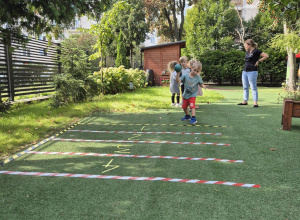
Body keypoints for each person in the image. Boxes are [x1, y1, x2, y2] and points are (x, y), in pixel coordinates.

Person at [238, 39, 269, 107]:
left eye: (245, 45)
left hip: (252, 71)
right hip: (245, 71)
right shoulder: (247, 52)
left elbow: (266, 56)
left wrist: (259, 61)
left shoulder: (256, 51)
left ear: (249, 45)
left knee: (253, 87)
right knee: (245, 87)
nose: (244, 47)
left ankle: (255, 103)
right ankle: (245, 101)